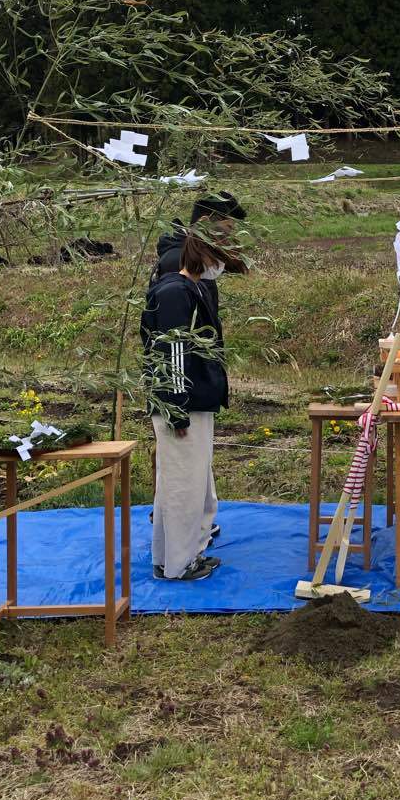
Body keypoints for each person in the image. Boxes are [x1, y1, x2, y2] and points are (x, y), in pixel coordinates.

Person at [141, 231, 230, 581]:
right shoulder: (175, 293)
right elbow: (171, 353)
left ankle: (169, 559)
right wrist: (176, 408)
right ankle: (181, 564)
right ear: (202, 257)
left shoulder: (187, 289)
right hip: (183, 406)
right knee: (183, 486)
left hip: (194, 400)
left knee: (179, 482)